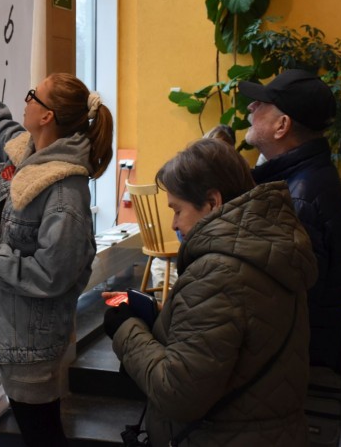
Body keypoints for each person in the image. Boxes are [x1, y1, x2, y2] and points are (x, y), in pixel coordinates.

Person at [0, 32, 113, 446]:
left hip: (34, 345)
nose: (25, 100)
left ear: (47, 116)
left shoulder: (64, 192)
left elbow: (51, 275)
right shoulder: (27, 153)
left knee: (42, 433)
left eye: (34, 95)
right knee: (39, 430)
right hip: (17, 335)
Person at [104, 138, 317, 445]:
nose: (174, 224)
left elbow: (178, 393)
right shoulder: (270, 250)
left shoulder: (218, 273)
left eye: (178, 210)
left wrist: (126, 330)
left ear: (213, 203)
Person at [239, 69, 341, 385]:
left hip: (293, 376)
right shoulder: (299, 181)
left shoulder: (296, 198)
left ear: (282, 125)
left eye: (262, 103)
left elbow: (286, 306)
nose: (251, 107)